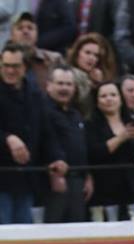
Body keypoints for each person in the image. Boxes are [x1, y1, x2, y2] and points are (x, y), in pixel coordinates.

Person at [0, 42, 66, 224]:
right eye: (5, 66)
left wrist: (57, 158)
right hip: (2, 178)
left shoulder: (34, 93)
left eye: (15, 66)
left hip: (26, 180)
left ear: (25, 67)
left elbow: (46, 132)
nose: (10, 71)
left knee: (24, 235)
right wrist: (8, 138)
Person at [86, 80, 134, 220]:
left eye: (113, 95)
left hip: (132, 187)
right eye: (103, 96)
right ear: (97, 102)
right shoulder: (91, 124)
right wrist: (121, 137)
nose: (109, 99)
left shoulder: (132, 120)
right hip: (104, 188)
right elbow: (94, 153)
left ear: (120, 99)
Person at [44, 66, 93, 224]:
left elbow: (82, 147)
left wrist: (87, 175)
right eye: (60, 83)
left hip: (78, 181)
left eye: (68, 84)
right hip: (55, 182)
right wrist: (54, 174)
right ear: (48, 85)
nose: (64, 88)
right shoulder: (43, 111)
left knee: (77, 229)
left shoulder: (76, 114)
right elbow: (45, 144)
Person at [67, 31, 118, 119]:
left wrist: (99, 84)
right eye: (87, 53)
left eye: (96, 55)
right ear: (77, 53)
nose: (92, 58)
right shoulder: (67, 74)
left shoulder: (100, 78)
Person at [9, 10, 61, 93]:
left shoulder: (53, 59)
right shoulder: (2, 61)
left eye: (30, 28)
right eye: (20, 28)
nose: (25, 31)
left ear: (37, 34)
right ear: (11, 35)